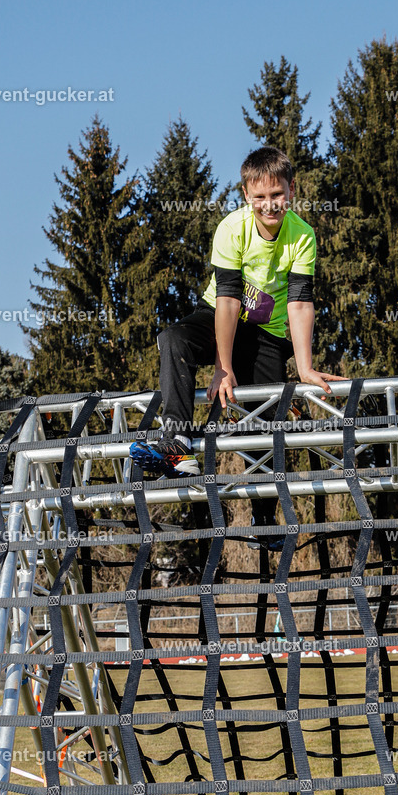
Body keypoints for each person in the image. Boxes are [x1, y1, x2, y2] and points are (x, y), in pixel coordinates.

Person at [129, 145, 342, 547]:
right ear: (246, 195)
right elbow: (227, 300)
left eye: (277, 195)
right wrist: (222, 365)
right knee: (173, 338)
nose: (269, 205)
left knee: (260, 417)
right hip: (219, 316)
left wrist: (305, 364)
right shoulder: (231, 228)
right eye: (260, 197)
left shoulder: (303, 237)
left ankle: (264, 520)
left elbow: (299, 302)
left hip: (267, 333)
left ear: (291, 190)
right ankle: (177, 441)